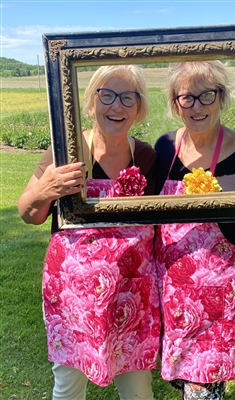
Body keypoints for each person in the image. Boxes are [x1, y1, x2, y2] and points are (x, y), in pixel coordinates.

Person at [17, 65, 160, 400]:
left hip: (132, 294)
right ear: (91, 101)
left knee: (138, 389)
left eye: (128, 97)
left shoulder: (146, 156)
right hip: (72, 296)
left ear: (139, 108)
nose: (117, 106)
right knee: (69, 386)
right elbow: (28, 212)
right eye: (107, 95)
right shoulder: (67, 150)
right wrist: (47, 188)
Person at [154, 61, 235, 400]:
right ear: (175, 103)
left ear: (222, 97)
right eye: (187, 98)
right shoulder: (164, 148)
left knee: (203, 385)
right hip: (172, 293)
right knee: (184, 378)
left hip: (225, 292)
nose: (197, 106)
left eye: (207, 95)